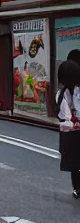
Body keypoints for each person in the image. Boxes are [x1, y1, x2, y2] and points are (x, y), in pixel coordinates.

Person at [57, 59, 80, 199]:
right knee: (74, 163)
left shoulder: (77, 90)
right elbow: (63, 118)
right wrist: (74, 123)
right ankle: (77, 188)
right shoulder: (61, 95)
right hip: (71, 133)